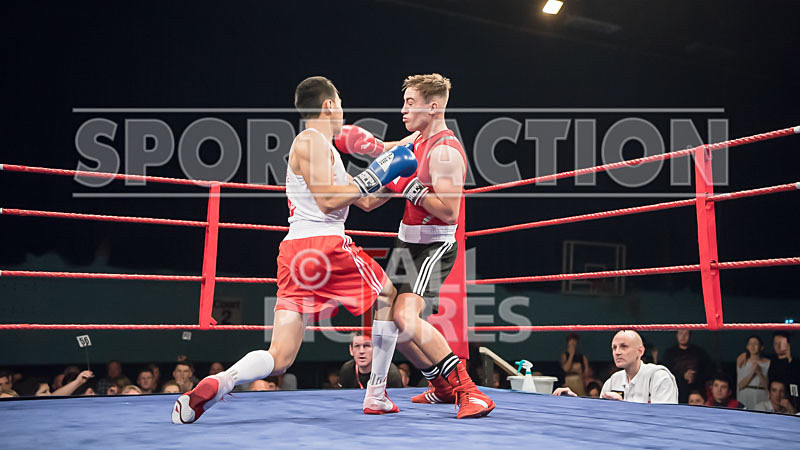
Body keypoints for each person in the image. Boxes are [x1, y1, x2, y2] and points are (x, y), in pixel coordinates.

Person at [172, 76, 416, 424]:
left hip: (296, 254)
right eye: (340, 103)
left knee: (281, 357)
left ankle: (221, 381)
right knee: (387, 296)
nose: (343, 110)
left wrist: (397, 177)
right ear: (329, 105)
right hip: (323, 243)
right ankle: (376, 395)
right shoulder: (310, 141)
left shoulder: (324, 150)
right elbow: (329, 200)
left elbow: (363, 201)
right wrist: (379, 171)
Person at [336, 73, 495, 418]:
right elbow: (369, 198)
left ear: (433, 107)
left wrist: (410, 188)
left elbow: (450, 211)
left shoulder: (445, 151)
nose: (403, 110)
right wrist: (342, 161)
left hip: (433, 245)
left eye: (410, 103)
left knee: (405, 317)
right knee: (392, 320)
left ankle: (470, 391)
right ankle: (441, 387)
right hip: (405, 243)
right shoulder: (416, 140)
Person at [553, 330, 678, 404]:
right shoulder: (613, 381)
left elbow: (664, 419)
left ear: (640, 351)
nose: (617, 352)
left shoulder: (660, 378)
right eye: (614, 348)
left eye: (624, 346)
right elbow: (598, 415)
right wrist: (574, 401)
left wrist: (622, 406)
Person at [337, 332, 403, 389]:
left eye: (367, 346)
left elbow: (398, 399)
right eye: (357, 346)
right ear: (351, 350)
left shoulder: (391, 374)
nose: (361, 351)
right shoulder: (347, 370)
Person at [662, 330, 712, 403]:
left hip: (697, 390)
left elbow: (708, 371)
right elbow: (666, 373)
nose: (683, 336)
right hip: (676, 390)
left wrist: (694, 375)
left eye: (686, 334)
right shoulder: (669, 353)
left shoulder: (700, 352)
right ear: (677, 335)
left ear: (690, 335)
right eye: (681, 333)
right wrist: (683, 376)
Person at [767, 331, 799, 410]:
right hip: (774, 403)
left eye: (780, 343)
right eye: (775, 343)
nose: (777, 346)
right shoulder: (773, 360)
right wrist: (746, 354)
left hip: (793, 402)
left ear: (788, 344)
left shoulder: (796, 362)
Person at [735, 335, 770, 409]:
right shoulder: (742, 361)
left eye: (755, 343)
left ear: (761, 347)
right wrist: (752, 373)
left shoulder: (768, 363)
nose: (752, 346)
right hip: (745, 394)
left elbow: (767, 386)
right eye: (750, 343)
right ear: (747, 347)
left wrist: (759, 372)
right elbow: (740, 385)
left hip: (761, 394)